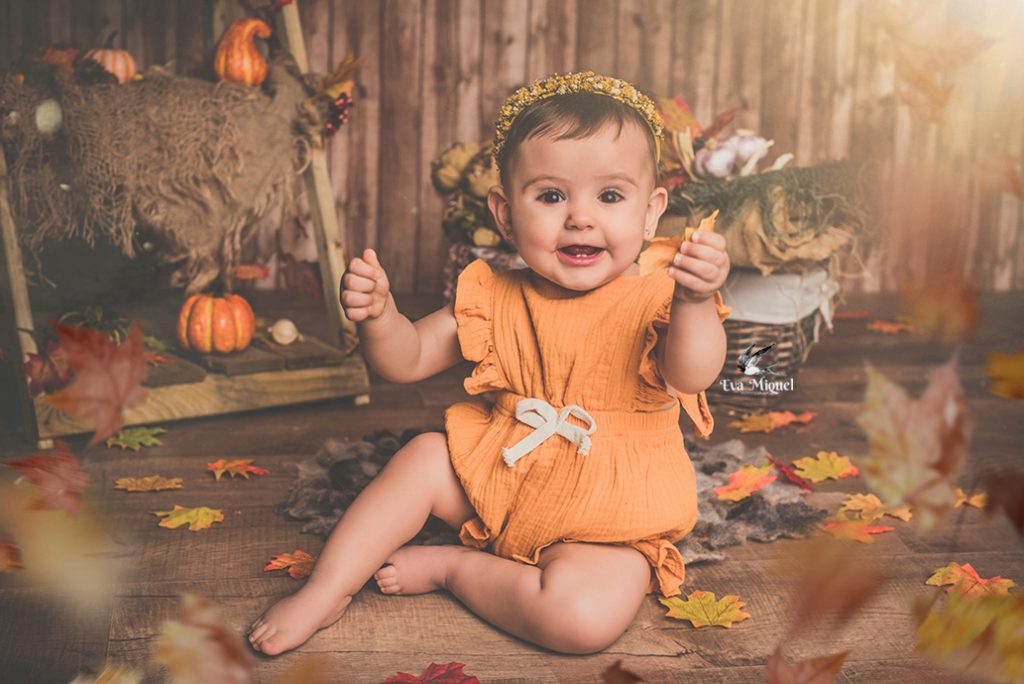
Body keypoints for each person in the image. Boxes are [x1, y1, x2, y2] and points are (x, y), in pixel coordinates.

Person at [247, 70, 731, 657]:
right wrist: (380, 318)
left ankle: (455, 568)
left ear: (652, 213)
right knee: (424, 458)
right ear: (504, 214)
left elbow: (693, 373)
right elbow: (408, 359)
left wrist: (698, 302)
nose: (579, 217)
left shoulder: (662, 299)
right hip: (502, 476)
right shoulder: (495, 295)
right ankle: (326, 589)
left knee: (581, 619)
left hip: (608, 519)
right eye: (551, 196)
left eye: (609, 196)